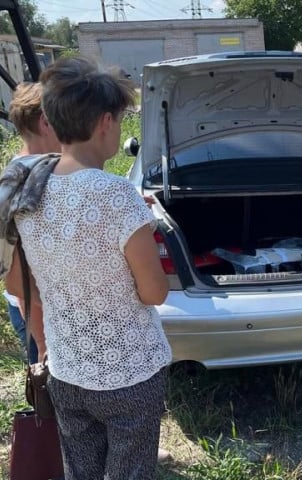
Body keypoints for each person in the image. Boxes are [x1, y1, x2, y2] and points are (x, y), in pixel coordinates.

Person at [4, 56, 172, 479]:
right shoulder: (117, 195)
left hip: (66, 368)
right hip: (130, 373)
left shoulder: (29, 185)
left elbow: (26, 283)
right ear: (105, 123)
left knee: (81, 470)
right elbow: (154, 292)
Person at [5, 81, 60, 364]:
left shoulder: (21, 171)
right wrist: (42, 343)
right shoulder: (29, 182)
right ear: (46, 122)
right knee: (48, 397)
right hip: (37, 313)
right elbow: (19, 278)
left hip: (40, 307)